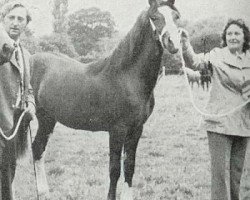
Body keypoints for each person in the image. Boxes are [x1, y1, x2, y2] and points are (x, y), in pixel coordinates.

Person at [180, 18, 250, 200]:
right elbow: (195, 62)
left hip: (243, 124)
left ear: (245, 37)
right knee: (221, 177)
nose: (233, 37)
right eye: (229, 34)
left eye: (237, 33)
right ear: (224, 37)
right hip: (219, 124)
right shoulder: (217, 55)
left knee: (237, 175)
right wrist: (185, 43)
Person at [0, 2, 35, 199]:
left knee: (8, 173)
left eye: (20, 19)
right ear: (3, 21)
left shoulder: (26, 55)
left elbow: (27, 88)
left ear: (26, 23)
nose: (15, 23)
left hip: (13, 127)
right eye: (10, 18)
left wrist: (31, 104)